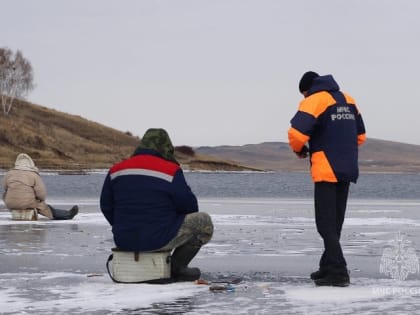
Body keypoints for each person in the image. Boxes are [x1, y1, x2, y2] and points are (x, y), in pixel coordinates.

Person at [100, 128, 213, 282]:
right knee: (203, 222)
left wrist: (124, 225)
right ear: (166, 147)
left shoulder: (116, 170)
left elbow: (106, 206)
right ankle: (177, 267)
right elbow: (190, 206)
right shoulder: (170, 170)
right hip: (158, 238)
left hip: (123, 239)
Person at [288, 71, 366, 287]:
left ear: (307, 89)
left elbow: (296, 134)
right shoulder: (348, 99)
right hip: (347, 167)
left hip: (326, 169)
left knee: (325, 223)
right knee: (335, 222)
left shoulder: (314, 100)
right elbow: (360, 136)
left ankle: (339, 272)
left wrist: (300, 150)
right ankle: (327, 266)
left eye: (304, 94)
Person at [2, 153, 79, 220]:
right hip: (28, 203)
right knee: (47, 208)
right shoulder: (34, 175)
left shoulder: (9, 174)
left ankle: (18, 206)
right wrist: (40, 200)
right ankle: (68, 214)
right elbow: (41, 194)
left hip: (10, 203)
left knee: (6, 194)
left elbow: (5, 188)